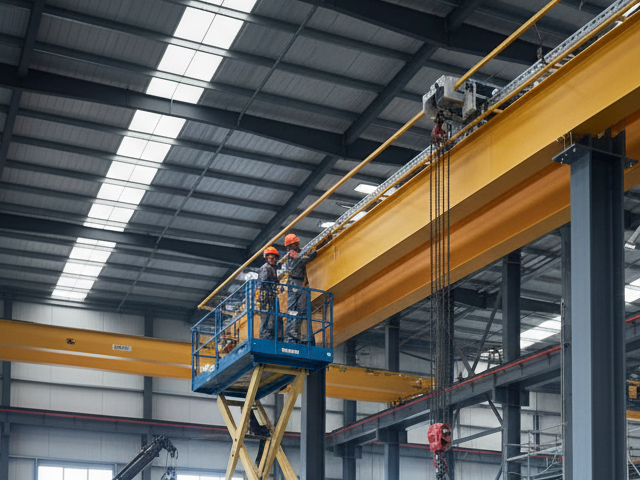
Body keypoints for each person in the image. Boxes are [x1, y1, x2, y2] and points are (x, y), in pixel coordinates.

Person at [284, 233, 317, 344]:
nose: (297, 245)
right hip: (294, 283)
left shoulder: (299, 251)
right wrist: (312, 255)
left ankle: (301, 335)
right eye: (294, 244)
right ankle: (291, 336)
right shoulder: (292, 254)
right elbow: (303, 260)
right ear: (290, 246)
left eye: (296, 243)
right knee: (293, 310)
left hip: (301, 283)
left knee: (302, 309)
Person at [258, 246, 280, 340]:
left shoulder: (272, 268)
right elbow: (264, 283)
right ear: (267, 258)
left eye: (273, 258)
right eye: (269, 258)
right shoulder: (265, 268)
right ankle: (265, 338)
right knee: (266, 319)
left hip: (270, 298)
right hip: (266, 298)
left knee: (272, 319)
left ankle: (270, 337)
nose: (271, 259)